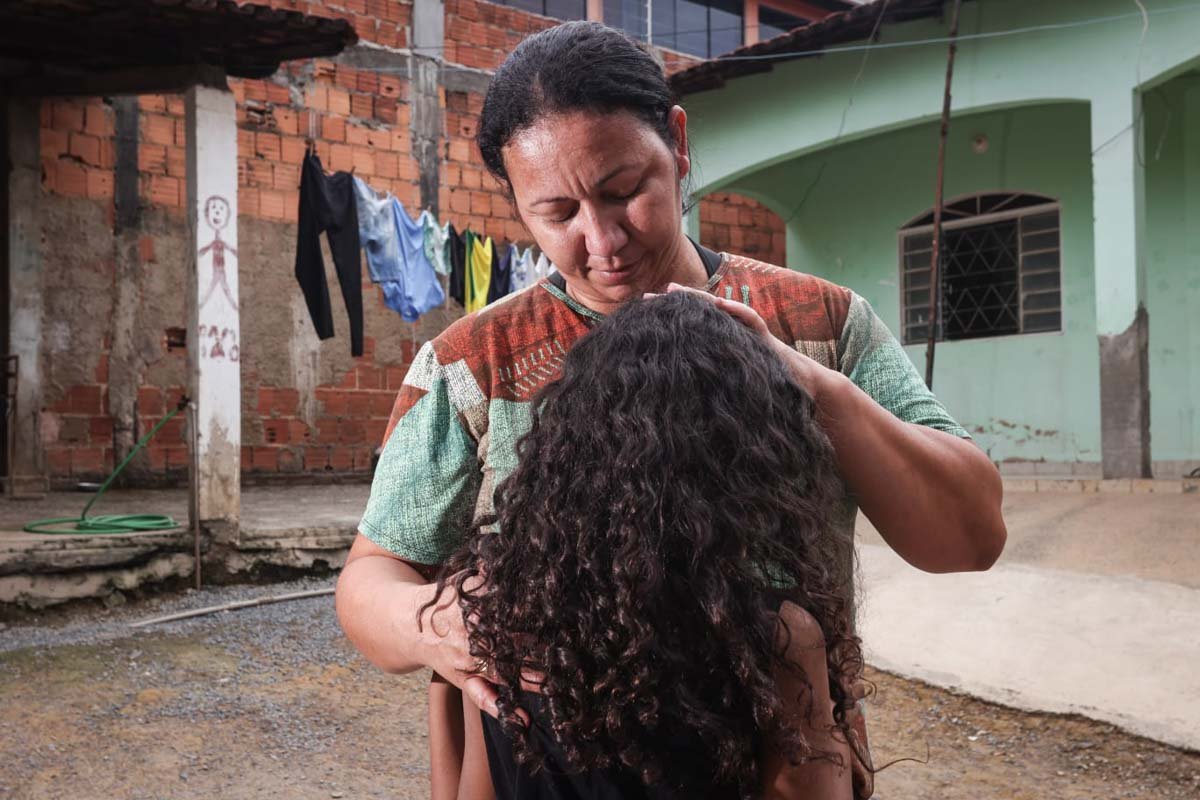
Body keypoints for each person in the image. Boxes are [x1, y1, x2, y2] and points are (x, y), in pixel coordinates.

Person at [335, 20, 1007, 800]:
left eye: (626, 191)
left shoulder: (819, 325)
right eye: (558, 213)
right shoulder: (472, 366)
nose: (604, 239)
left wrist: (810, 388)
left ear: (677, 144)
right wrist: (439, 623)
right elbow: (369, 583)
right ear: (516, 204)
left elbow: (970, 536)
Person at [435, 291, 860, 799]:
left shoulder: (494, 613)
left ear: (566, 447)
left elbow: (470, 791)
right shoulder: (777, 638)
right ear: (749, 463)